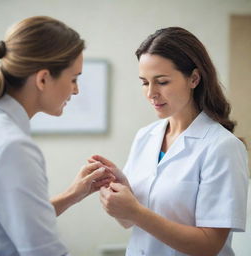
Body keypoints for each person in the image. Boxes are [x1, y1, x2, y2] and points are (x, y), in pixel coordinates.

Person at [92, 27, 249, 256]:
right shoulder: (145, 136)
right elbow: (130, 222)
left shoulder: (222, 147)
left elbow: (209, 246)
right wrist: (118, 198)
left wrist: (135, 211)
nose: (151, 93)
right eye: (145, 82)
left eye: (162, 82)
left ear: (194, 78)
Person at [0, 16, 114, 256]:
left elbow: (12, 220)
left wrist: (72, 194)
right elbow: (43, 251)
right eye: (74, 78)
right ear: (43, 79)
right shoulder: (14, 146)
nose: (76, 89)